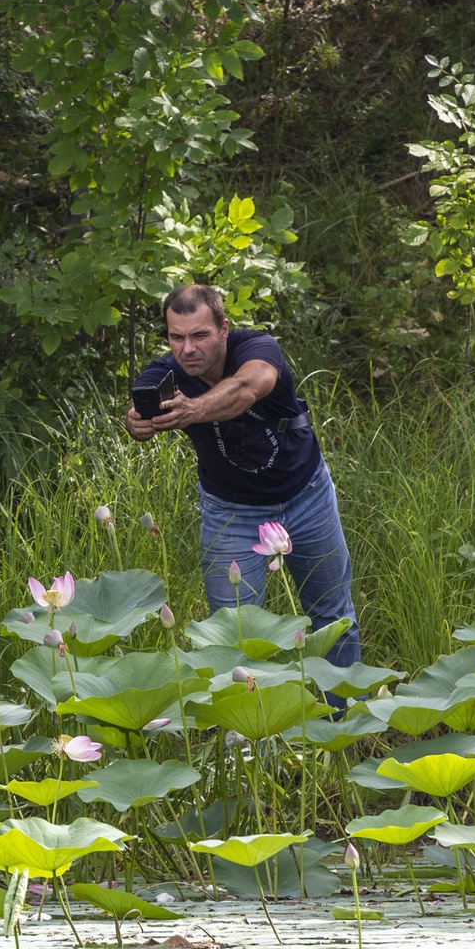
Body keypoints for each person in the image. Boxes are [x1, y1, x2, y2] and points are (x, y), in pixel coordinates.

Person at [125, 285, 360, 666]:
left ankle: (347, 717)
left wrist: (193, 410)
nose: (188, 349)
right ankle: (255, 725)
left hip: (306, 495)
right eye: (176, 337)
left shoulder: (257, 348)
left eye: (199, 335)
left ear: (223, 329)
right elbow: (137, 406)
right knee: (233, 636)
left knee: (333, 618)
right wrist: (136, 420)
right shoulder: (167, 372)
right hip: (231, 510)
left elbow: (248, 387)